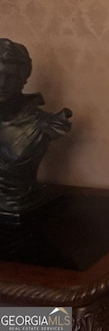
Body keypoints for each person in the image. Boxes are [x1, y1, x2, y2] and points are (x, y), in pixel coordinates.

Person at [0, 38, 72, 214]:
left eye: (10, 77)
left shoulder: (45, 124)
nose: (2, 84)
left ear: (23, 79)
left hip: (20, 203)